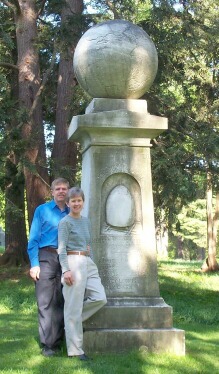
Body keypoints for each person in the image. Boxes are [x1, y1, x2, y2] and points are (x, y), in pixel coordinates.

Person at [58, 187, 107, 361]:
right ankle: (75, 351)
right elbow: (62, 250)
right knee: (72, 307)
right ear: (68, 203)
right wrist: (66, 270)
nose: (76, 203)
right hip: (72, 262)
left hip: (87, 261)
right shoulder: (65, 222)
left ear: (83, 202)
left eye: (79, 200)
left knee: (100, 297)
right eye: (73, 201)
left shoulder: (86, 221)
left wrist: (90, 260)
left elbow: (88, 244)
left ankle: (71, 321)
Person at [27, 178, 70, 357]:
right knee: (45, 301)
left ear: (68, 191)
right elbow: (34, 239)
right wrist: (34, 264)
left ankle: (57, 341)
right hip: (46, 256)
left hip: (66, 258)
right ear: (52, 192)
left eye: (64, 189)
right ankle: (47, 345)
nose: (61, 191)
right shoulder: (42, 210)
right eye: (57, 189)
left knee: (61, 300)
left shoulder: (72, 212)